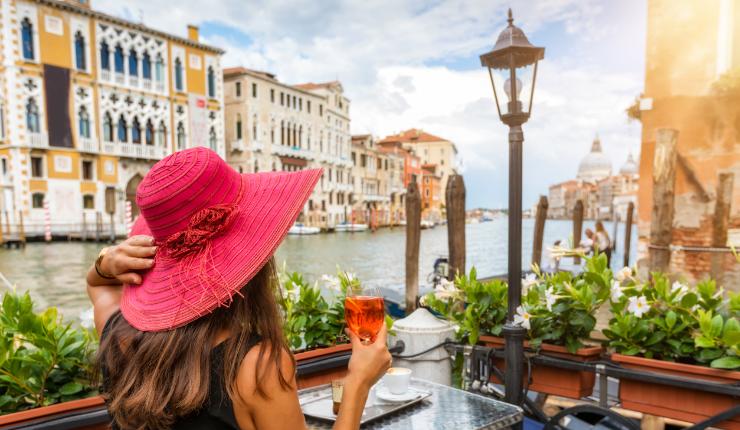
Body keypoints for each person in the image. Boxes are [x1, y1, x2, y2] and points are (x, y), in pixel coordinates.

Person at [87, 147, 391, 430]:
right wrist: (358, 383)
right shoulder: (255, 366)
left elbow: (98, 287)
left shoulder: (118, 335)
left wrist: (103, 263)